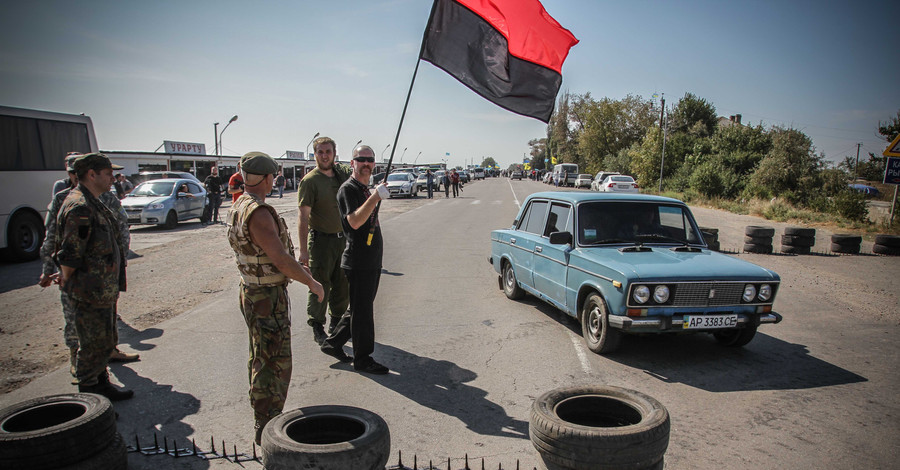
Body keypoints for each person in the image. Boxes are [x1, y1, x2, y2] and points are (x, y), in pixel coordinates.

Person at [226, 151, 325, 445]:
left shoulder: (240, 204)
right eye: (274, 177)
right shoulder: (258, 212)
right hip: (266, 297)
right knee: (273, 360)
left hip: (256, 291)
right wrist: (311, 282)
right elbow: (280, 259)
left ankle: (265, 416)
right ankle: (266, 423)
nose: (274, 181)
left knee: (261, 354)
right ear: (267, 178)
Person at [41, 153, 138, 375]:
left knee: (104, 322)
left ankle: (105, 358)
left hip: (104, 276)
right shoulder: (74, 202)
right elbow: (63, 245)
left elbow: (120, 228)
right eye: (108, 174)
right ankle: (83, 366)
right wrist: (53, 272)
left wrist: (119, 260)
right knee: (80, 324)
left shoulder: (103, 199)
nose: (113, 179)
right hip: (87, 281)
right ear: (89, 175)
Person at [320, 145, 390, 375]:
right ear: (352, 163)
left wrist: (374, 194)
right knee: (363, 313)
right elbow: (355, 221)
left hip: (371, 258)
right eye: (361, 159)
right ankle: (363, 358)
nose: (366, 164)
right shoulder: (348, 189)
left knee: (358, 307)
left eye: (370, 160)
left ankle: (333, 343)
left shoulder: (363, 189)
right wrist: (376, 197)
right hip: (359, 261)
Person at [296, 137, 351, 345]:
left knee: (342, 284)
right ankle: (317, 325)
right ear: (315, 154)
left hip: (343, 240)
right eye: (320, 152)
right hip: (321, 242)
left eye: (328, 151)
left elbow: (359, 174)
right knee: (320, 284)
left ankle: (335, 322)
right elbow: (303, 217)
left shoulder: (341, 176)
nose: (324, 155)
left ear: (334, 153)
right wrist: (303, 251)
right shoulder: (310, 181)